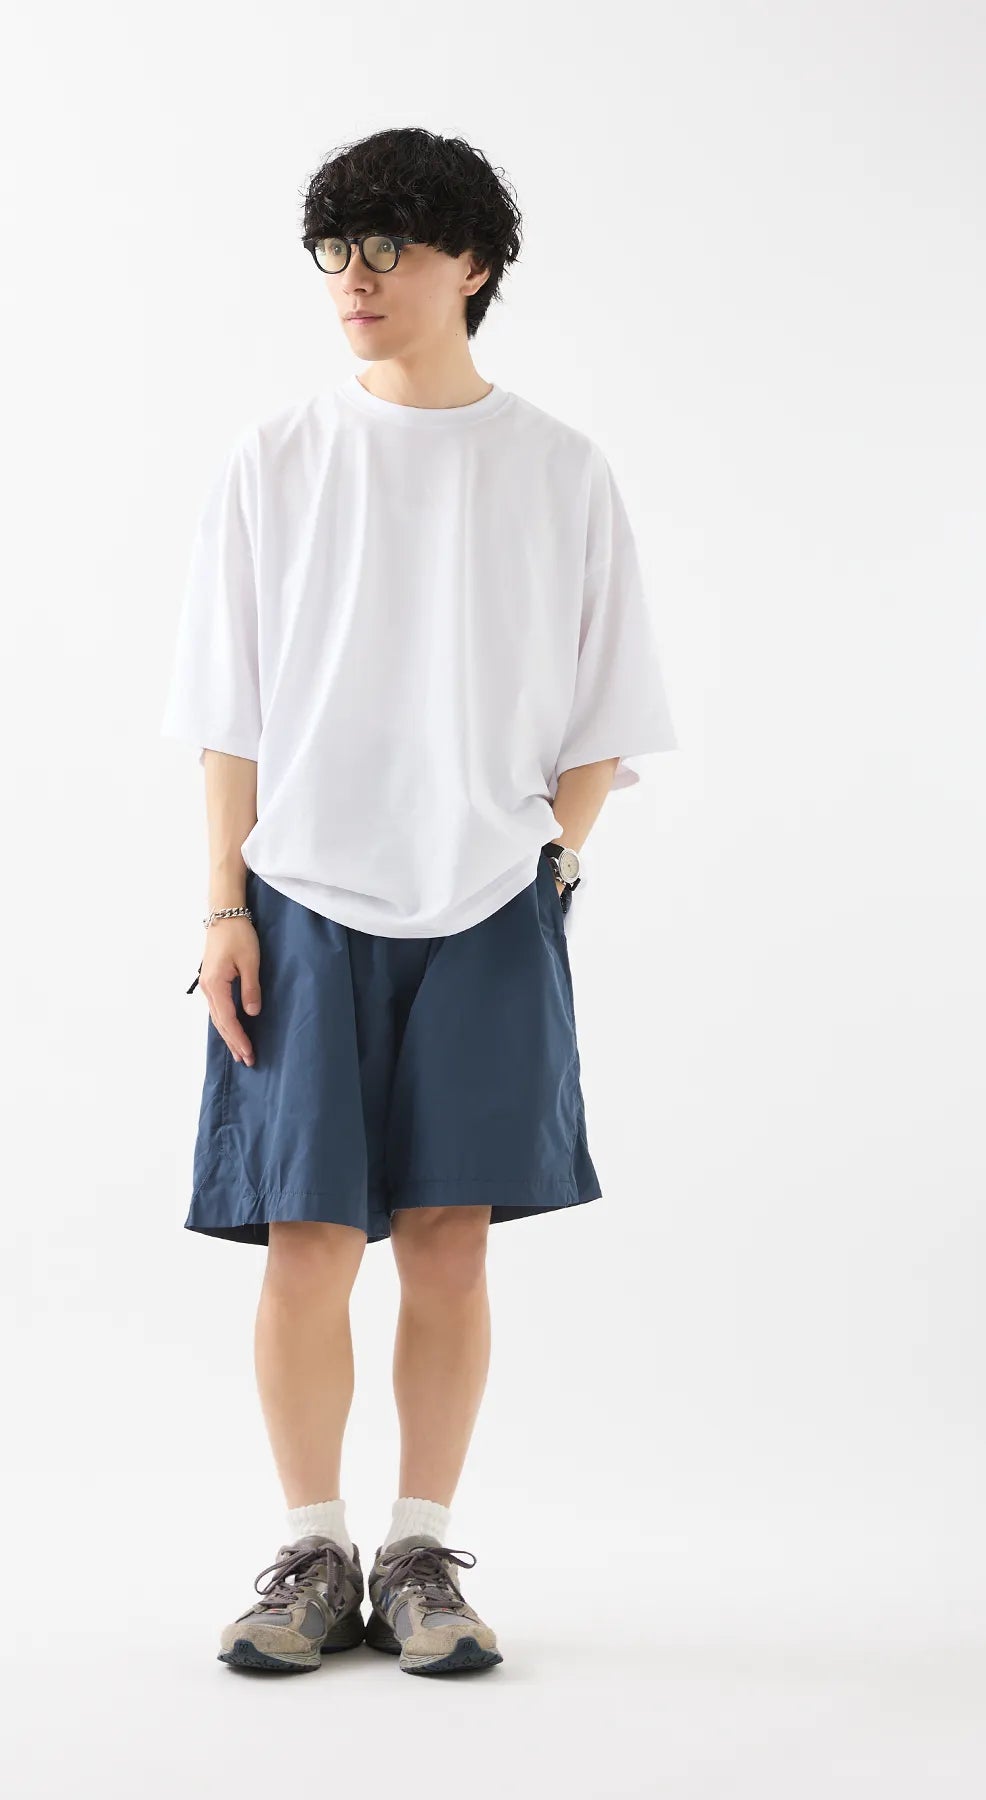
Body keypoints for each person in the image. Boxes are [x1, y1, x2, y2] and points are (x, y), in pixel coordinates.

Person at [159, 127, 677, 1676]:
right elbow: (227, 714)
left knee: (451, 1243)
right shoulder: (277, 459)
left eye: (389, 246)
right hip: (301, 897)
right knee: (306, 1236)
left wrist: (551, 864)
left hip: (489, 900)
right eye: (336, 249)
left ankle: (421, 1552)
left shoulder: (559, 470)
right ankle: (312, 1551)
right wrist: (223, 907)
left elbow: (606, 715)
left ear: (476, 265)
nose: (356, 278)